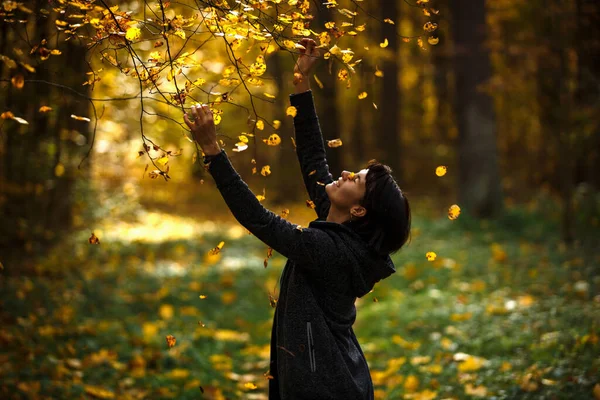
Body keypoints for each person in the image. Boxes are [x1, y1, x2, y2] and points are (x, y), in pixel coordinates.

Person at [184, 38, 411, 400]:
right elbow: (313, 159)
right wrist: (301, 83)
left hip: (325, 387)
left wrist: (213, 150)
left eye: (358, 181)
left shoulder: (329, 251)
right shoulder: (338, 230)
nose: (348, 173)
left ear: (359, 210)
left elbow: (259, 219)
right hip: (334, 377)